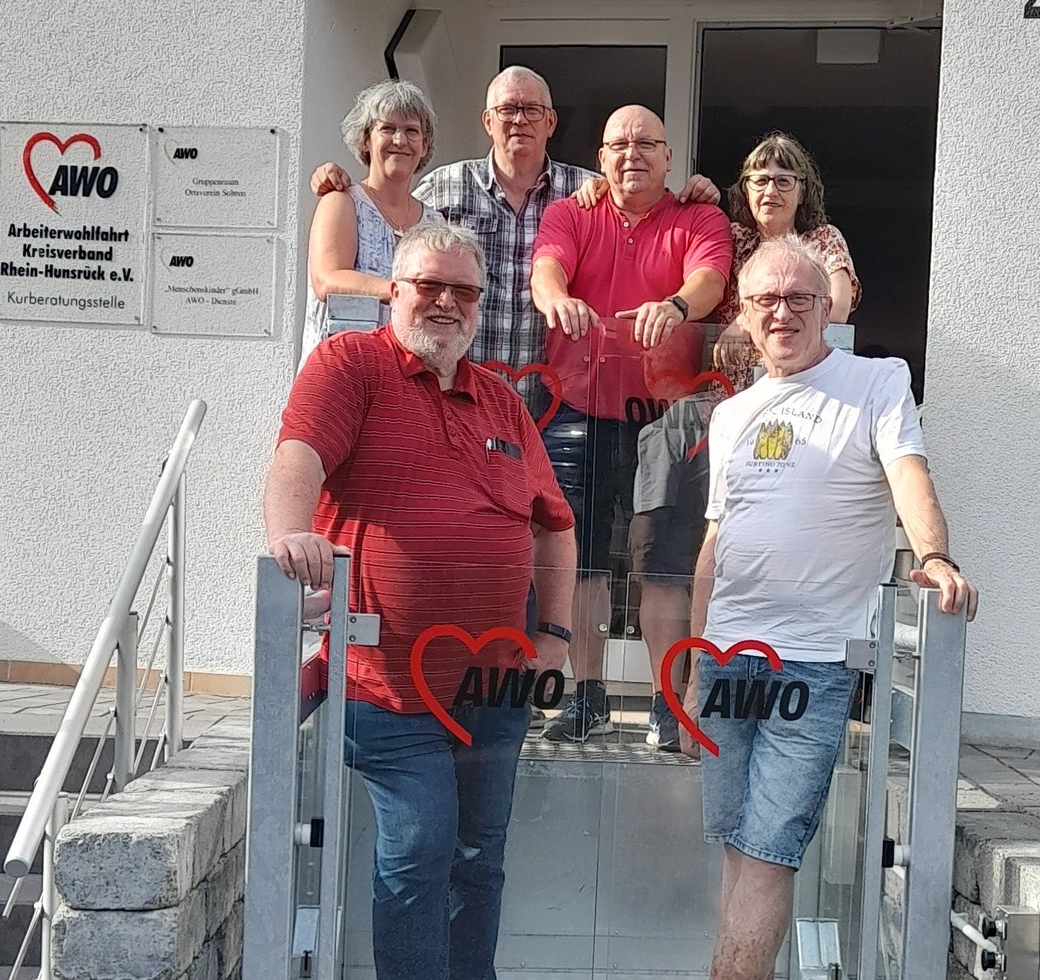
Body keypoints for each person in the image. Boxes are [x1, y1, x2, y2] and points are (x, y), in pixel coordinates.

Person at [266, 220, 577, 980]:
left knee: (481, 861)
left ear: (482, 306)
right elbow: (297, 459)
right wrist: (289, 537)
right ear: (392, 290)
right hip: (385, 678)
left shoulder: (501, 401)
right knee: (420, 851)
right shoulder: (350, 366)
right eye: (427, 286)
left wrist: (556, 634)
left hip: (495, 688)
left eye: (463, 291)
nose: (444, 303)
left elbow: (554, 525)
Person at [662, 236, 976, 980]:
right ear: (743, 313)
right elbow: (716, 543)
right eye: (765, 299)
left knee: (767, 851)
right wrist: (694, 662)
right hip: (728, 662)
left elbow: (910, 478)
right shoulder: (734, 414)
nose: (783, 313)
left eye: (800, 297)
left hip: (813, 663)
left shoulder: (876, 383)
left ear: (828, 304)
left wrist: (933, 554)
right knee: (740, 851)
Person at [308, 68, 718, 412]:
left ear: (551, 122)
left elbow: (639, 189)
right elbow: (387, 212)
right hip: (454, 384)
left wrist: (700, 190)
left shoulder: (584, 191)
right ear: (488, 121)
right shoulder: (442, 190)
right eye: (507, 109)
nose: (519, 120)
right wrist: (333, 178)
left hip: (546, 396)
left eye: (531, 110)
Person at [529, 105, 733, 748]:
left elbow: (710, 278)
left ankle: (668, 705)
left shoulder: (698, 216)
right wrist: (556, 300)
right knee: (581, 564)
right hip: (577, 410)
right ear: (601, 157)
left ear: (669, 156)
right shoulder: (572, 212)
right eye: (618, 144)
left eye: (647, 143)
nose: (631, 154)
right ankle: (586, 697)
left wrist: (676, 306)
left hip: (666, 422)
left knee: (662, 567)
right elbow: (546, 269)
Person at [301, 80, 442, 356]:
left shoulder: (434, 224)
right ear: (366, 139)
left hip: (409, 372)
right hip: (342, 368)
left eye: (411, 131)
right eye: (387, 129)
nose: (400, 140)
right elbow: (327, 280)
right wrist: (400, 290)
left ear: (424, 146)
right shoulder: (342, 202)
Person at [713, 132, 859, 389]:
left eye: (783, 181)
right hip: (730, 391)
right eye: (760, 181)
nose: (770, 191)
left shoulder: (823, 240)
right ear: (746, 190)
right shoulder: (732, 238)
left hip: (799, 385)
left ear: (802, 192)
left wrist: (744, 322)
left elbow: (836, 310)